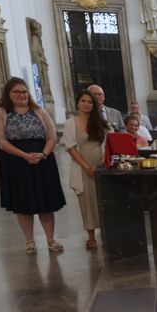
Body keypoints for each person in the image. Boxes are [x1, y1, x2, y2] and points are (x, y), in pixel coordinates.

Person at [0, 77, 67, 254]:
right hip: (15, 162)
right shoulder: (0, 112)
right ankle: (30, 241)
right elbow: (0, 141)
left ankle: (50, 239)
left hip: (42, 160)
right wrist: (24, 155)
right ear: (8, 94)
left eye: (24, 91)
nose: (21, 95)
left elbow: (52, 136)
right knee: (23, 203)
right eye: (16, 92)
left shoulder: (38, 110)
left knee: (46, 202)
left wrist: (43, 153)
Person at [62, 89, 108, 250]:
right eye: (83, 101)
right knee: (87, 203)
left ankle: (107, 233)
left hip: (101, 167)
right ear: (77, 103)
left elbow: (108, 144)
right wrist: (87, 166)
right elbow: (70, 146)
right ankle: (90, 237)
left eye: (90, 102)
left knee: (103, 200)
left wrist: (100, 164)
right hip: (82, 168)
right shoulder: (70, 123)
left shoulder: (101, 122)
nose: (86, 104)